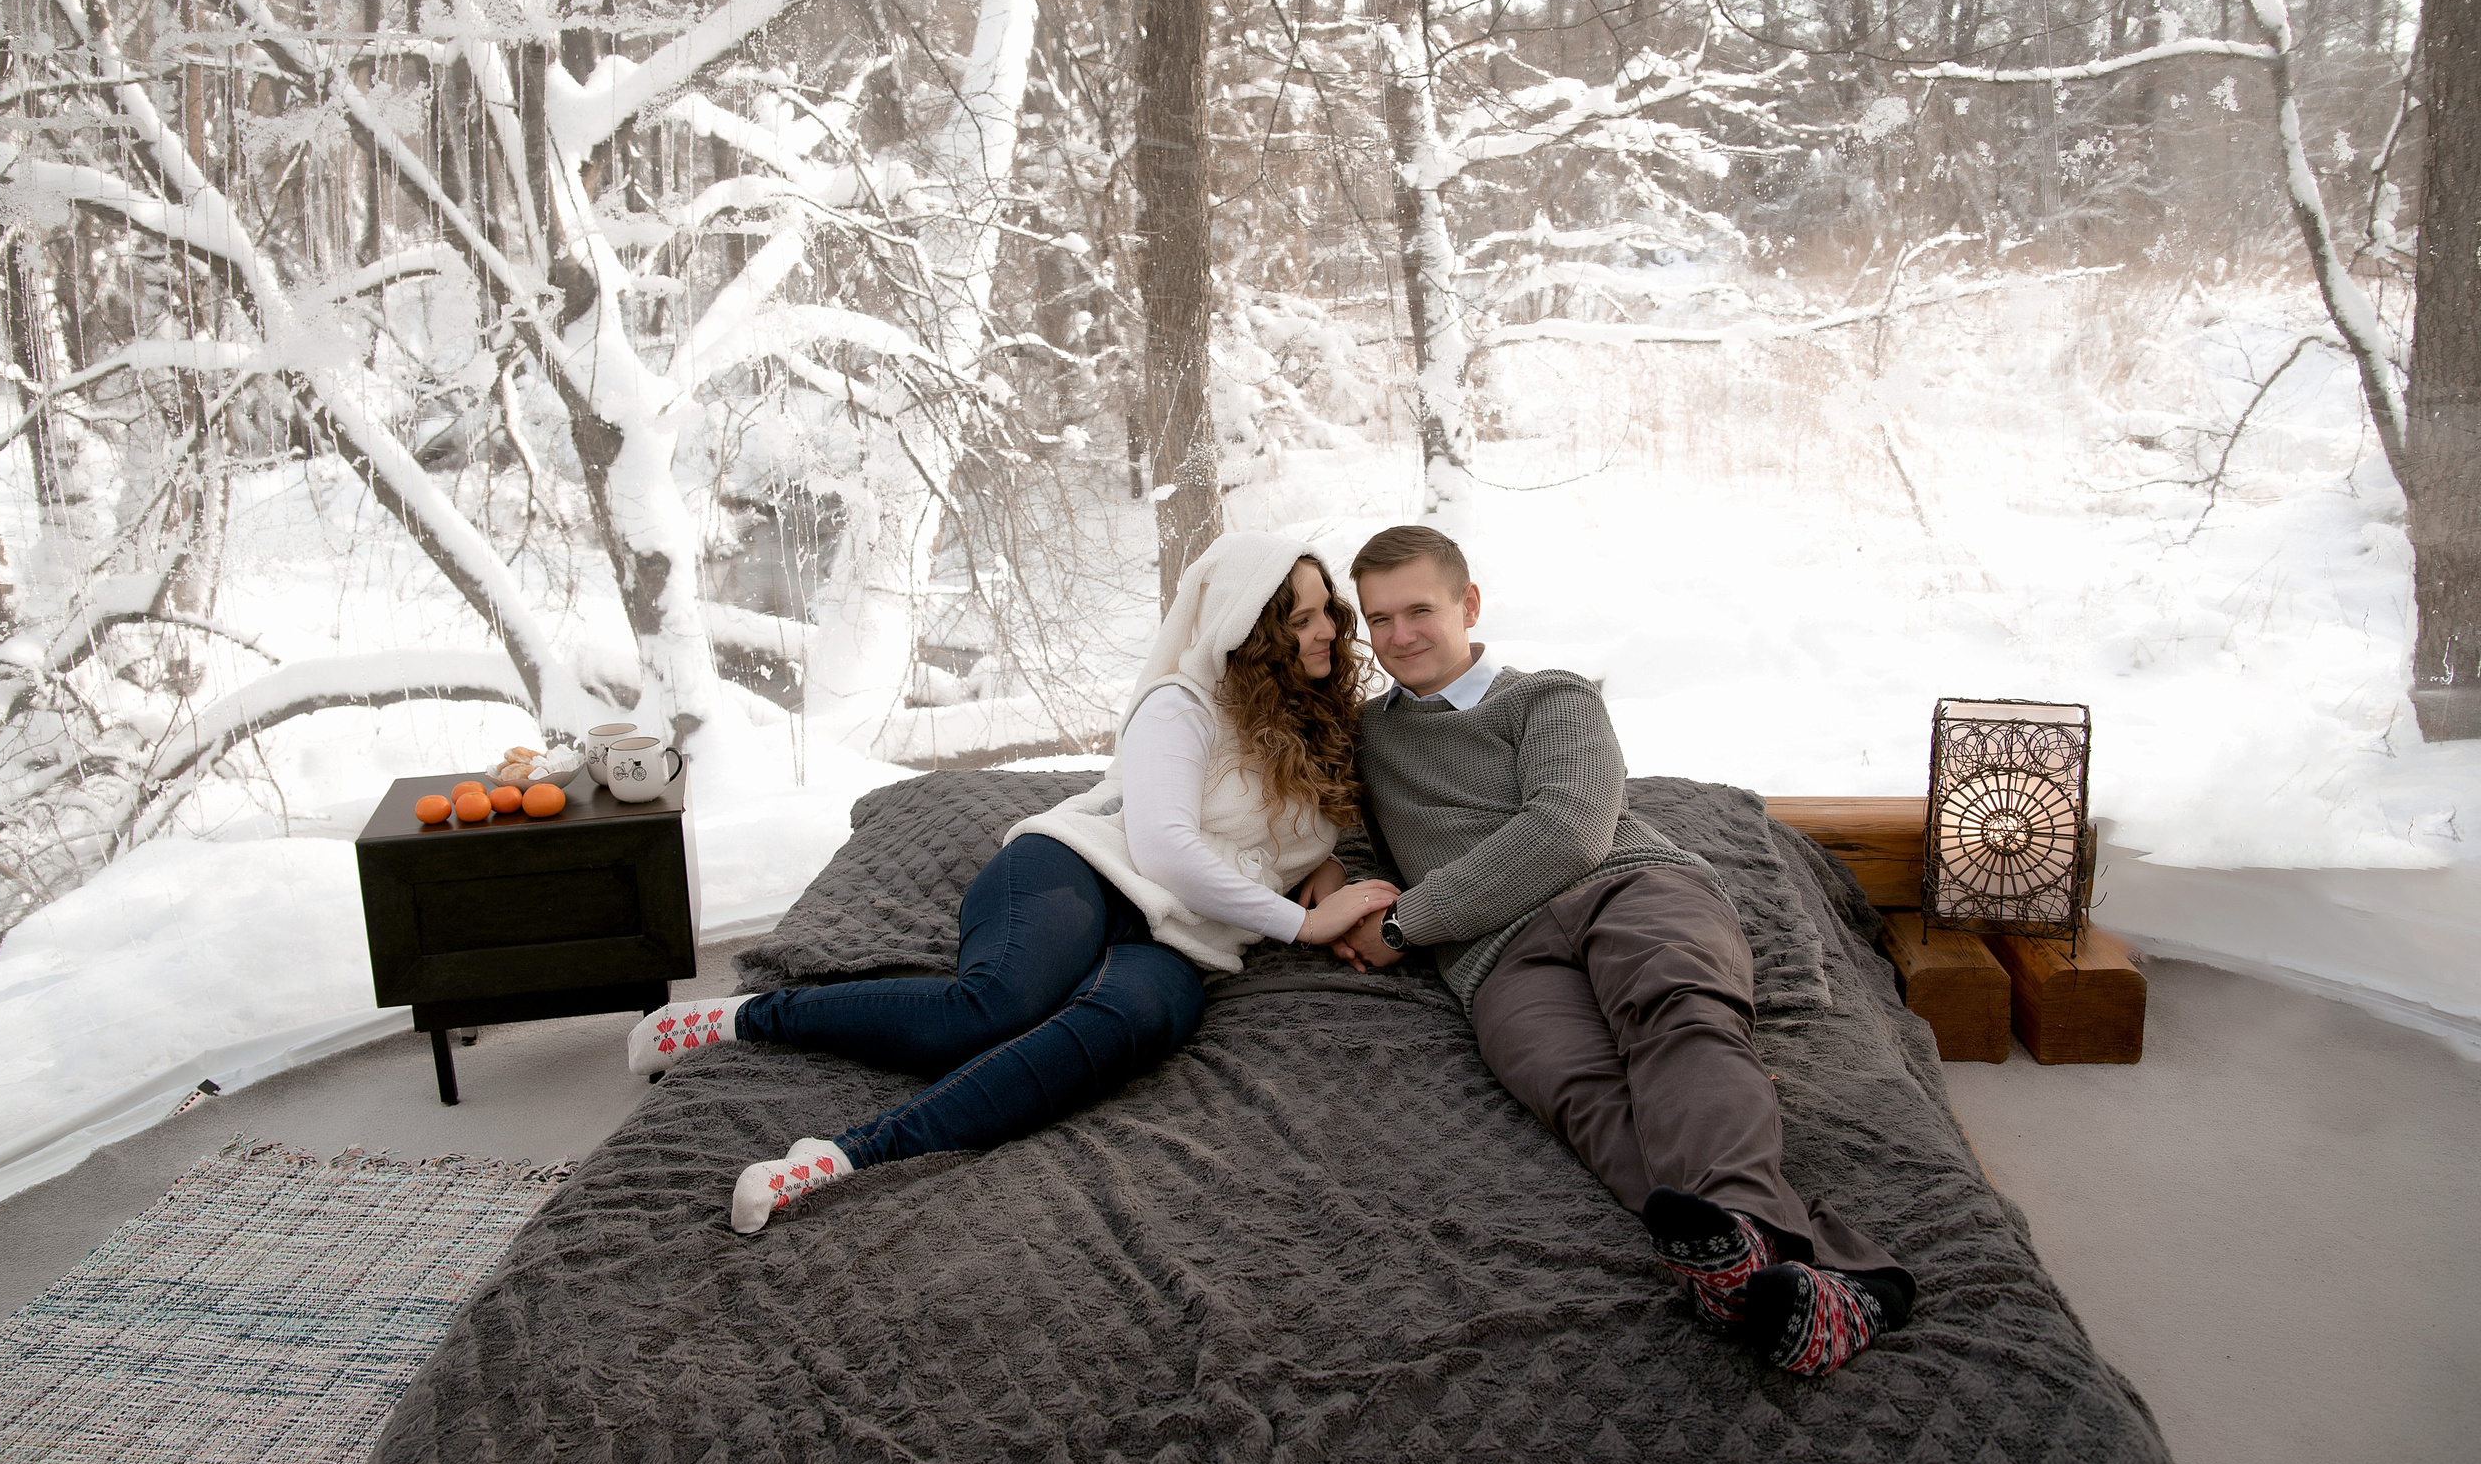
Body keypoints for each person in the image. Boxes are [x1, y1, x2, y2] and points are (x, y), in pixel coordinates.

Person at [631, 530, 1400, 1234]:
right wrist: (1301, 923)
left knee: (1123, 1025)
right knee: (993, 1007)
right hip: (1082, 868)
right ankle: (752, 1018)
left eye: (1325, 610)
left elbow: (1298, 832)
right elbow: (1165, 848)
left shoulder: (1327, 719)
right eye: (1299, 620)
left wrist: (1321, 867)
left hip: (1184, 939)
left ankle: (840, 1158)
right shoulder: (1184, 704)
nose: (1327, 629)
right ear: (1248, 626)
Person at [1314, 523, 1915, 1376]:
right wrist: (1326, 872)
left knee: (1678, 1019)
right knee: (1585, 1096)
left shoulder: (1550, 697)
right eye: (1381, 618)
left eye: (1421, 609)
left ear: (1469, 603)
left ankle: (1759, 1254)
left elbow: (1566, 830)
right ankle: (1822, 1284)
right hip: (1498, 955)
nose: (1401, 635)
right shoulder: (1369, 737)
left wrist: (1409, 921)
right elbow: (1295, 802)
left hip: (1625, 887)